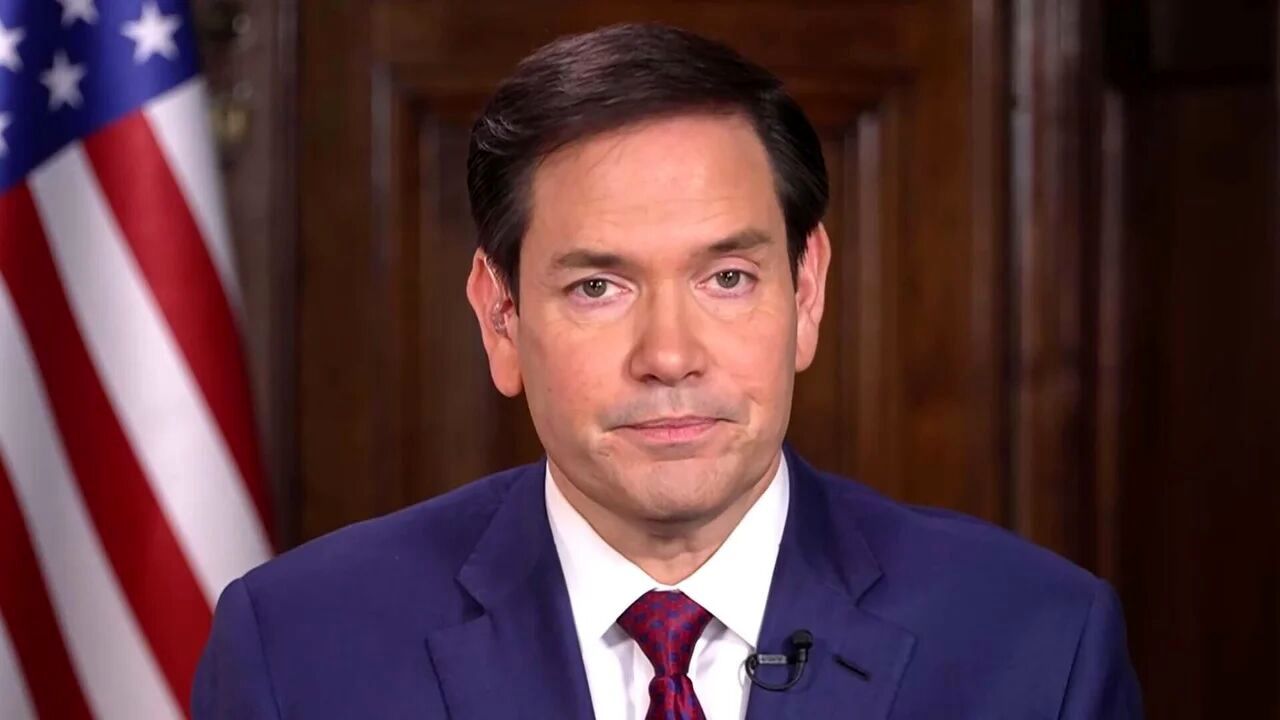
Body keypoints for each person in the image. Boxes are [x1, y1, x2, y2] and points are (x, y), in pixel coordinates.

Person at [193, 23, 1143, 719]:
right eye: (598, 287)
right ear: (500, 318)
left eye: (727, 278)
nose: (670, 357)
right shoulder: (300, 651)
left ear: (807, 291)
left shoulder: (1037, 644)